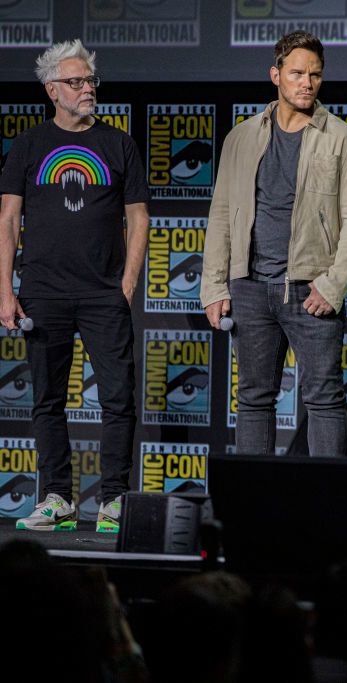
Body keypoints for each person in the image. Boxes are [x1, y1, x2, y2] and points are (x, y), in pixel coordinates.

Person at [0, 39, 148, 533]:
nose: (87, 89)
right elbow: (8, 219)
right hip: (43, 292)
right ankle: (58, 498)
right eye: (76, 82)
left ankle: (113, 500)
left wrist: (127, 282)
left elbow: (139, 218)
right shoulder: (28, 145)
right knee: (47, 399)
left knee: (118, 398)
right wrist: (5, 289)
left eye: (90, 81)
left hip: (104, 293)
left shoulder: (118, 143)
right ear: (52, 90)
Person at [201, 31, 347, 457]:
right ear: (275, 75)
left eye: (315, 74)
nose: (307, 83)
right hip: (250, 289)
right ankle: (253, 511)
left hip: (311, 289)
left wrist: (332, 286)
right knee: (254, 400)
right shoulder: (240, 137)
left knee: (324, 399)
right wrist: (214, 286)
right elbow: (221, 214)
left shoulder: (343, 139)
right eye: (297, 73)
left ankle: (327, 512)